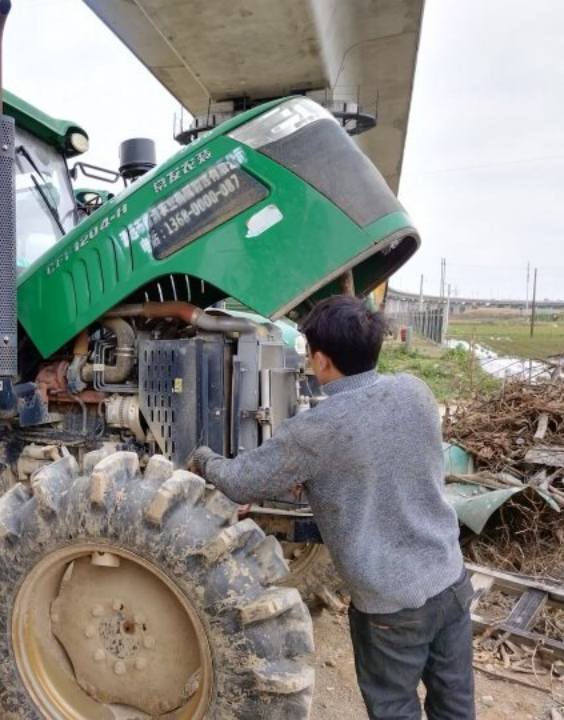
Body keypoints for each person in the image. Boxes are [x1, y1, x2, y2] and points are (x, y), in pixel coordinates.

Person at [187, 296, 475, 720]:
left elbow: (241, 481)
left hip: (391, 607)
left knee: (394, 708)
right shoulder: (415, 390)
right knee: (455, 705)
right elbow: (384, 453)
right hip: (450, 579)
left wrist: (204, 458)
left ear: (320, 359)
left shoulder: (318, 429)